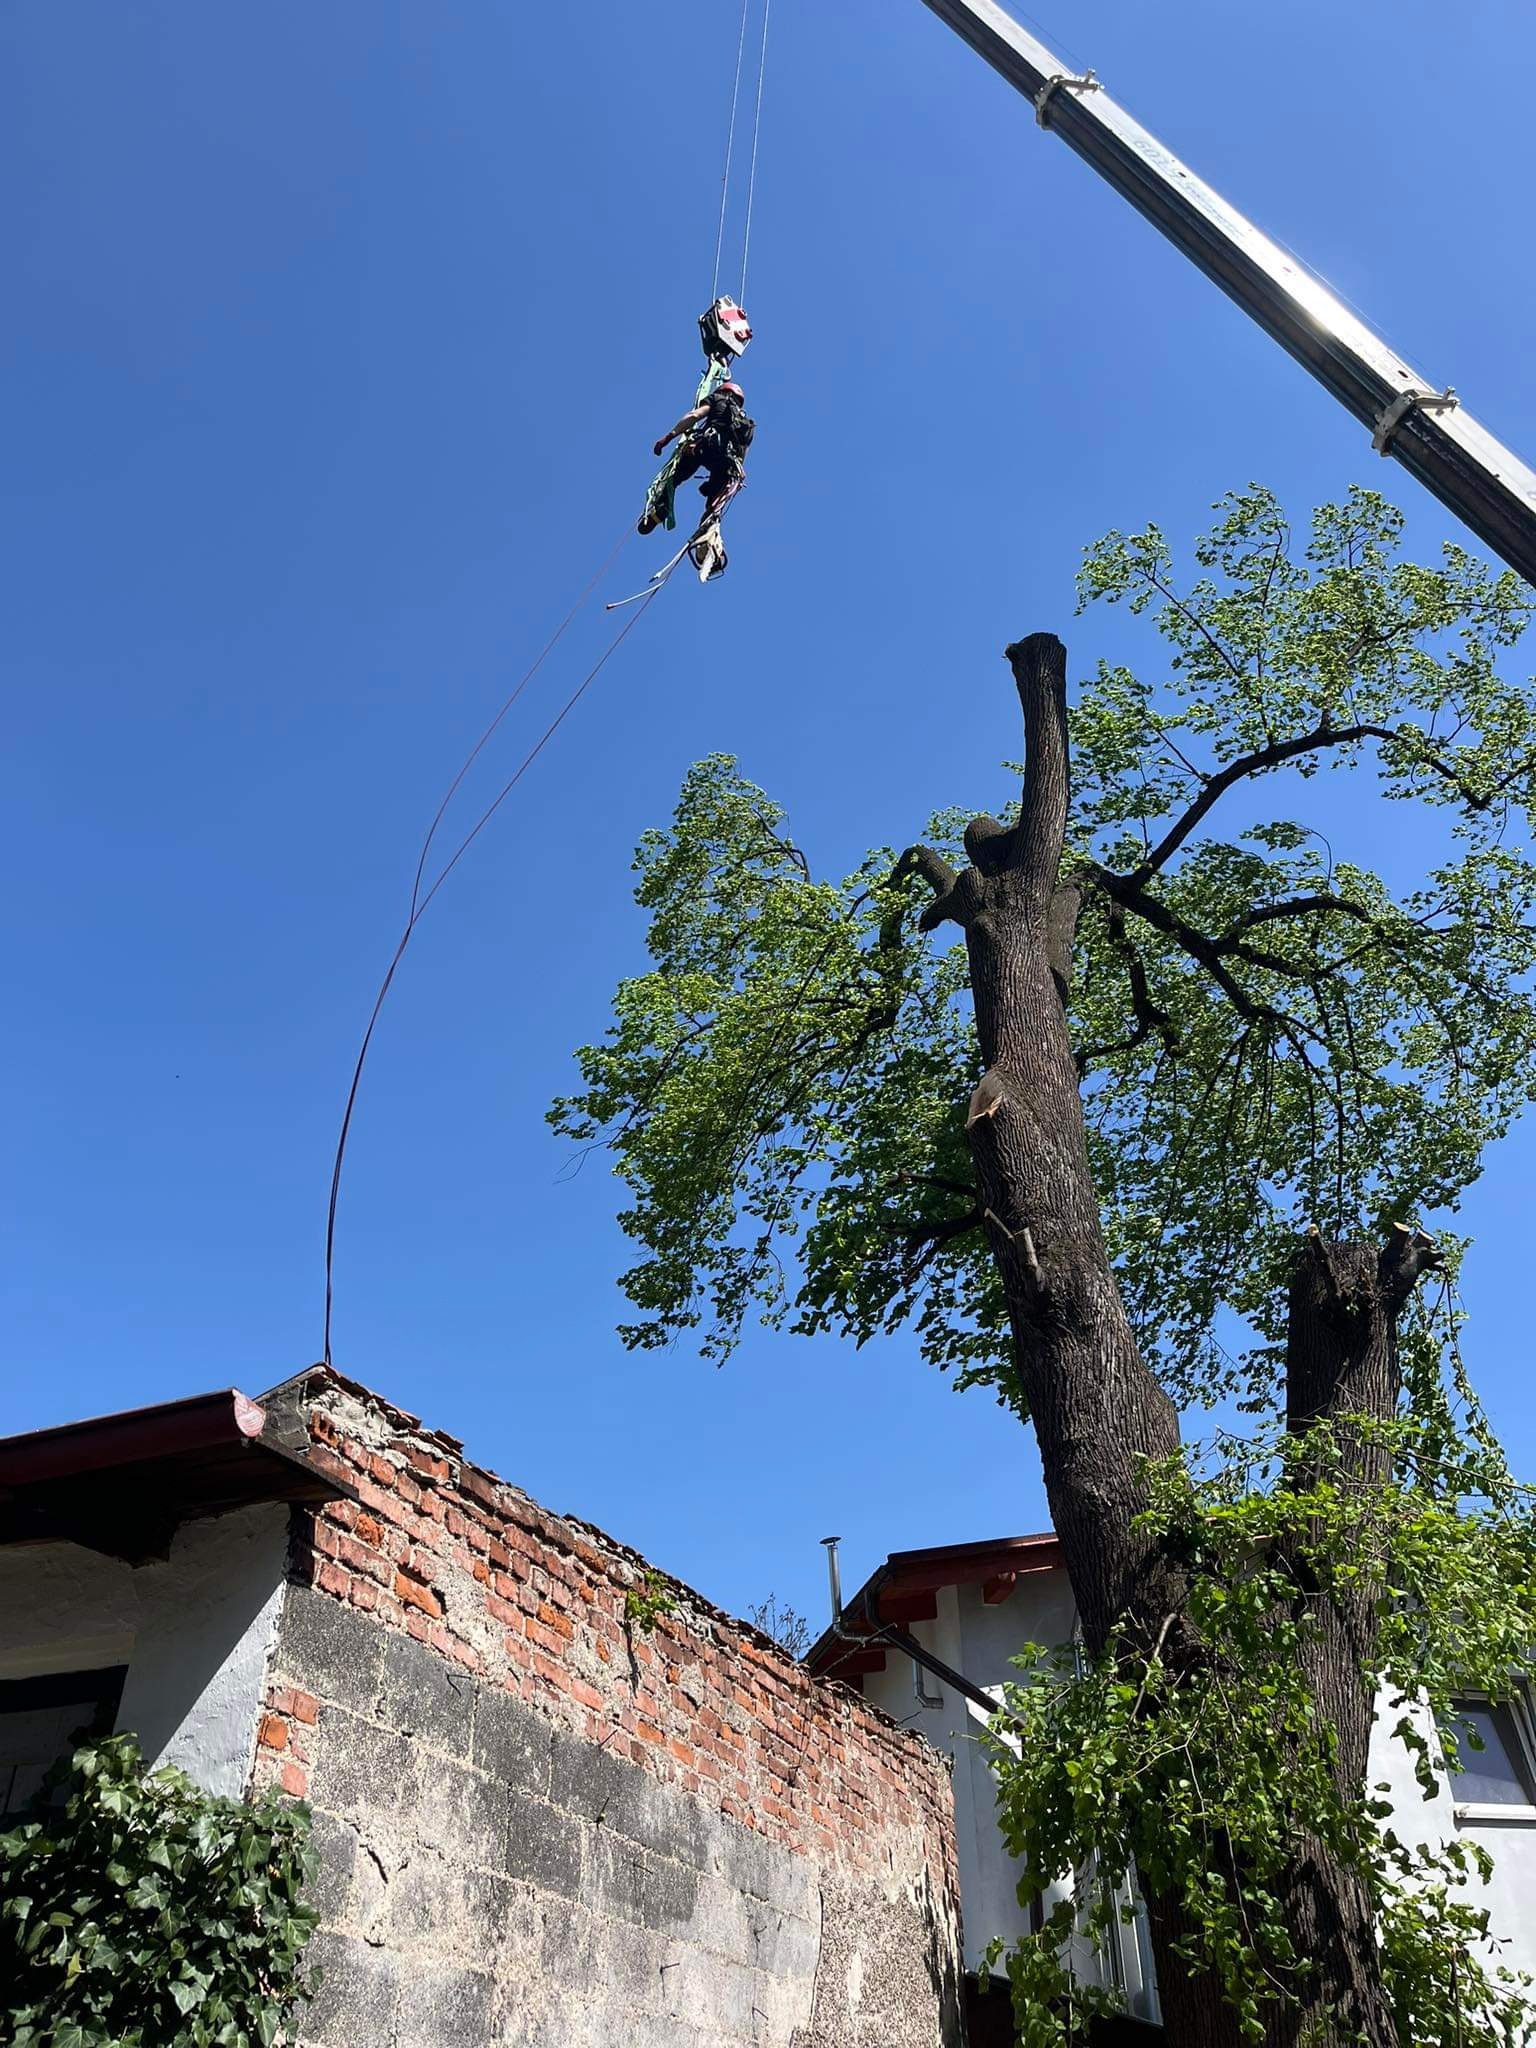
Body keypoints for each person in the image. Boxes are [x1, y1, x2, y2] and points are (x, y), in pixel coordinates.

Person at [638, 381, 755, 535]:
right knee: (715, 496)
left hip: (705, 448)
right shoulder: (747, 423)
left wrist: (668, 437)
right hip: (728, 463)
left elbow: (694, 416)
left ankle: (661, 508)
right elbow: (742, 454)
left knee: (673, 478)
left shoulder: (717, 399)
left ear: (723, 391)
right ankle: (709, 524)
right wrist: (719, 481)